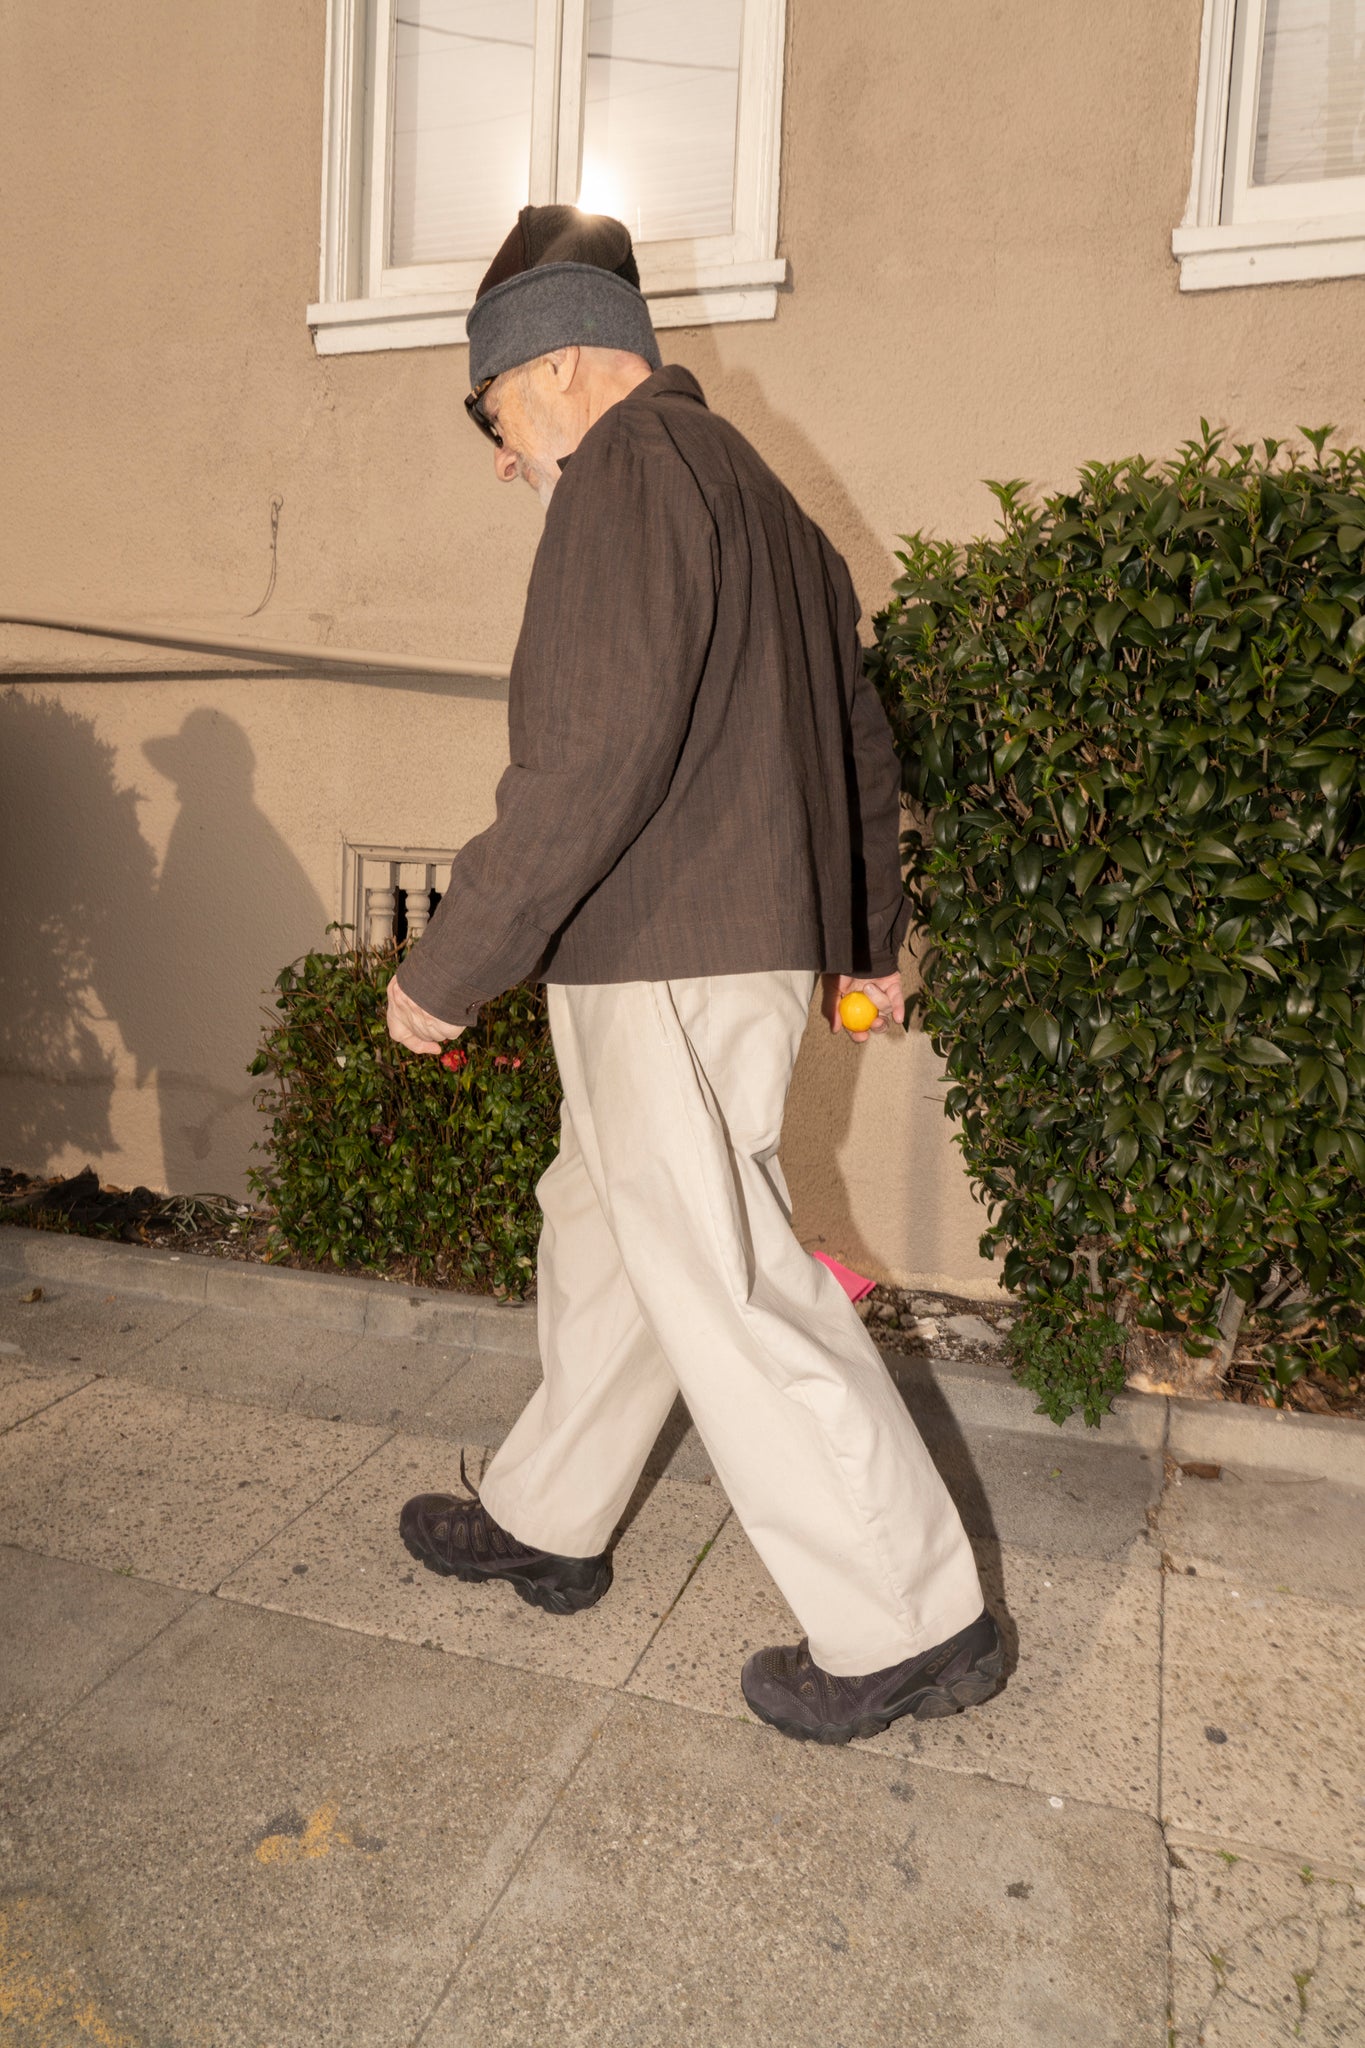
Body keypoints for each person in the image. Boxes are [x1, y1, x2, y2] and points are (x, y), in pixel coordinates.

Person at [387, 206, 1002, 1745]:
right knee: (607, 1234)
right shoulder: (763, 501)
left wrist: (452, 962)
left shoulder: (627, 475)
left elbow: (589, 756)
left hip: (657, 946)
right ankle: (549, 1508)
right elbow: (854, 744)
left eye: (491, 410)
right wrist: (866, 941)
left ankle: (910, 1617)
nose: (498, 452)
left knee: (718, 1278)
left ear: (564, 363)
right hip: (719, 946)